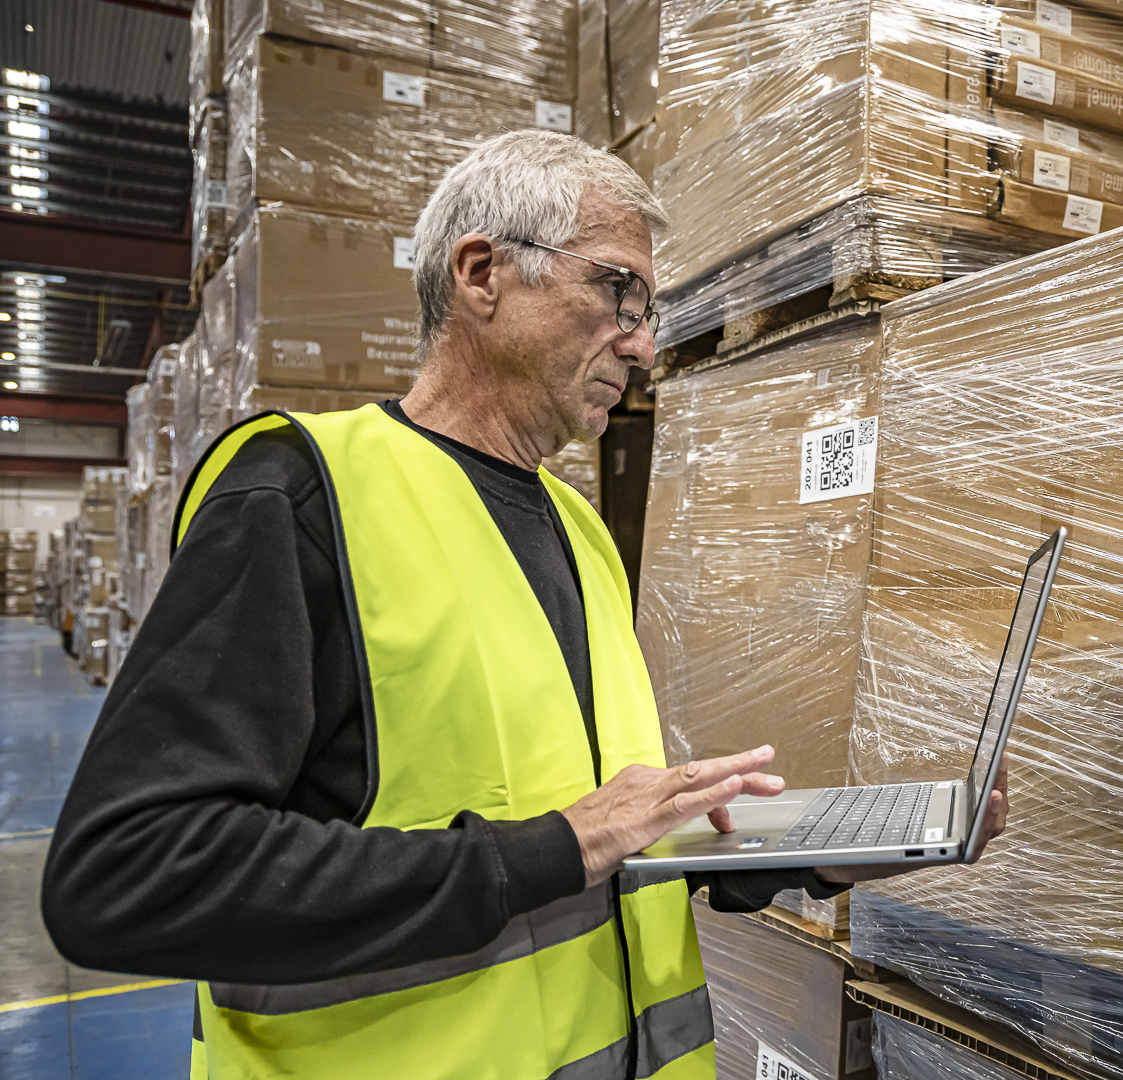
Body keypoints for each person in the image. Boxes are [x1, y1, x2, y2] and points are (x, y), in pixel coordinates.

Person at [40, 131, 1008, 1080]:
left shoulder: (578, 530)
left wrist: (824, 857)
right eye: (618, 290)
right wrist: (557, 847)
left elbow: (605, 841)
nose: (643, 340)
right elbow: (128, 875)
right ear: (481, 274)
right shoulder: (303, 493)